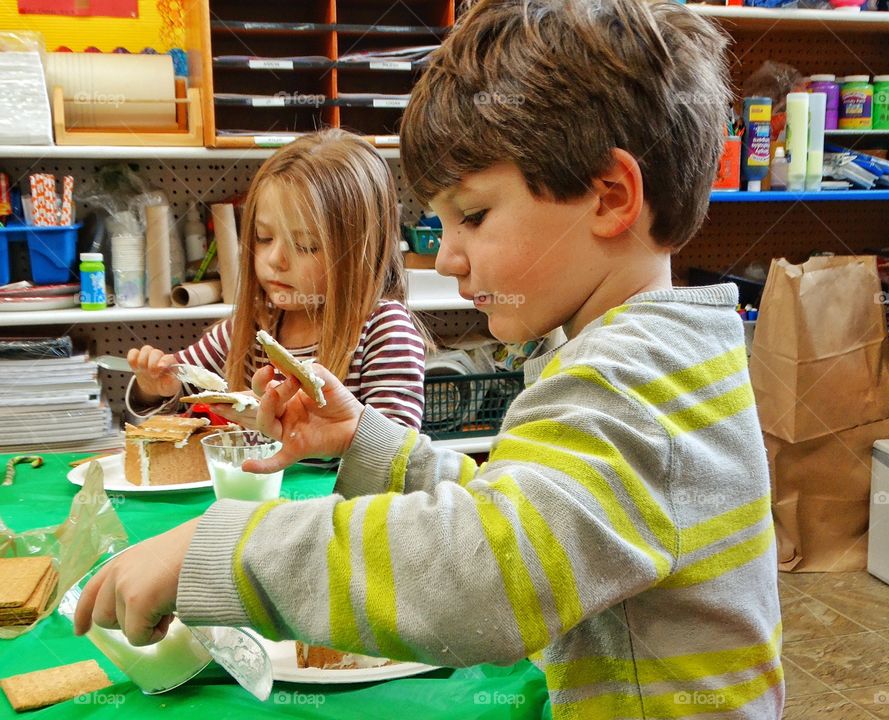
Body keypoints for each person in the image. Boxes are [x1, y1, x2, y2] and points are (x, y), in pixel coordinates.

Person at [75, 2, 784, 717]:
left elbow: (488, 574)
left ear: (609, 197)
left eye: (472, 215)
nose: (444, 257)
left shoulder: (630, 380)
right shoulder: (640, 351)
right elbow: (524, 509)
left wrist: (227, 550)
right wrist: (369, 444)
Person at [126, 129, 426, 431]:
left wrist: (297, 426)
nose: (274, 260)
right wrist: (153, 386)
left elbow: (395, 453)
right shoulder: (255, 325)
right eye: (264, 237)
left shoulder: (384, 332)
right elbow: (181, 384)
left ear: (360, 248)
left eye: (305, 245)